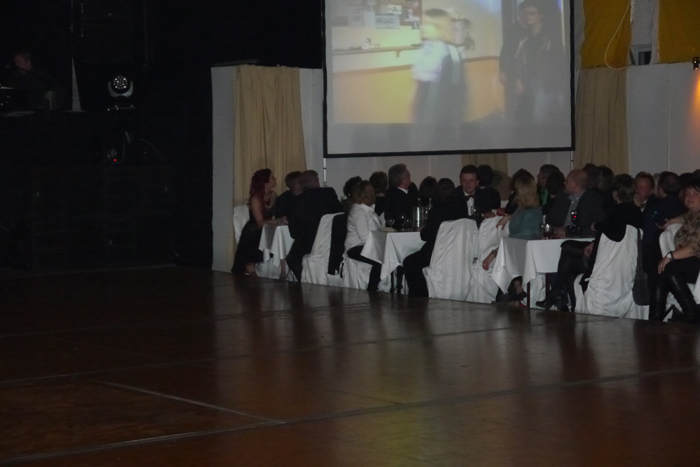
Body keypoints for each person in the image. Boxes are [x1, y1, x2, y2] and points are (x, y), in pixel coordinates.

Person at [537, 174, 644, 312]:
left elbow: (613, 231)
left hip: (605, 263)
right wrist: (596, 238)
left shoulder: (615, 212)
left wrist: (597, 226)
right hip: (623, 262)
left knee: (568, 256)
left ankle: (562, 297)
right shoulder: (637, 213)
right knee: (568, 249)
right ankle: (559, 295)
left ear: (615, 193)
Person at [403, 178, 469, 297]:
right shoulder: (462, 209)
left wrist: (425, 227)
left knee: (409, 262)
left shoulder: (437, 210)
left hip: (437, 252)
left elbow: (425, 236)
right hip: (459, 252)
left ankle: (419, 297)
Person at [483, 172, 542, 302]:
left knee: (507, 256)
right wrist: (509, 217)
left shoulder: (530, 214)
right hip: (519, 251)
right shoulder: (522, 210)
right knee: (507, 255)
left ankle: (514, 289)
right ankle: (514, 289)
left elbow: (519, 240)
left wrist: (494, 253)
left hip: (528, 253)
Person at [649, 178, 700, 323]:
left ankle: (691, 311)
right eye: (687, 193)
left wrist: (670, 256)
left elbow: (695, 247)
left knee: (668, 267)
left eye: (695, 194)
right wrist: (670, 222)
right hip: (690, 261)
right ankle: (655, 321)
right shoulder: (692, 214)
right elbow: (684, 217)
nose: (689, 197)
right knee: (659, 270)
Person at [513, 0, 566, 126]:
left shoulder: (550, 37)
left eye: (531, 13)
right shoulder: (525, 37)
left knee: (539, 117)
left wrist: (559, 89)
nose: (527, 16)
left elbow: (558, 63)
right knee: (534, 116)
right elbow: (519, 59)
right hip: (530, 81)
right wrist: (519, 80)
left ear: (540, 15)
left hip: (546, 82)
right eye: (526, 13)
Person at [411, 9, 464, 134]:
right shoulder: (423, 51)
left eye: (428, 23)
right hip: (422, 118)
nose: (423, 27)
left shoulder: (452, 55)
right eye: (423, 22)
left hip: (442, 123)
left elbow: (459, 94)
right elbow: (419, 86)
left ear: (440, 27)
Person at [286, 170, 343, 281]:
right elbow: (341, 216)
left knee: (292, 259)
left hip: (309, 245)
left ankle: (306, 281)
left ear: (302, 185)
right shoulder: (330, 194)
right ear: (317, 181)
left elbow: (294, 233)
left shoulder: (297, 202)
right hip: (334, 244)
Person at [231, 169, 278, 276]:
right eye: (272, 177)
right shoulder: (255, 198)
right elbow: (260, 222)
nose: (275, 179)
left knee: (274, 237)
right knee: (258, 238)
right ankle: (249, 265)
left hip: (266, 229)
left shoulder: (273, 195)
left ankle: (251, 267)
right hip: (254, 229)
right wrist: (277, 221)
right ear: (265, 181)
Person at [642, 172, 686, 279]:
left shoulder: (656, 210)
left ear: (660, 188)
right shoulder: (685, 209)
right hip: (682, 260)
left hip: (659, 262)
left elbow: (647, 239)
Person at [345, 181, 384, 291]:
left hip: (367, 244)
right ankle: (372, 289)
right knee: (379, 259)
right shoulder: (360, 212)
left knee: (388, 254)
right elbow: (365, 238)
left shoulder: (366, 209)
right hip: (355, 246)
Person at [546, 169, 606, 238]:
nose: (564, 183)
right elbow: (549, 219)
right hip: (559, 238)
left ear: (575, 185)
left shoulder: (593, 200)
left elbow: (598, 225)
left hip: (582, 240)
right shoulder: (562, 198)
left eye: (567, 181)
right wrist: (556, 229)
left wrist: (570, 231)